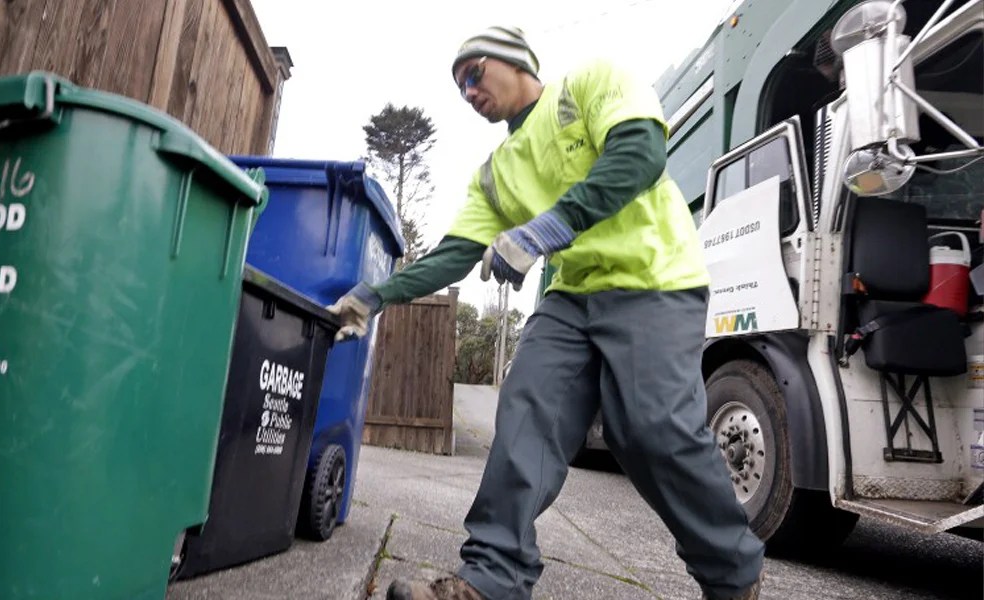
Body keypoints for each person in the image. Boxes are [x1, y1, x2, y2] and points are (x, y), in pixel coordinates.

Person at [326, 26, 766, 600]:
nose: (468, 92)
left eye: (474, 73)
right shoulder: (492, 173)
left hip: (653, 279)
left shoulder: (586, 85)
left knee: (649, 428)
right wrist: (373, 295)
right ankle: (491, 577)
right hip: (572, 297)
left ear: (515, 61)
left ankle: (733, 575)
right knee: (527, 407)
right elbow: (455, 255)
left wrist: (545, 230)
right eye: (459, 87)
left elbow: (640, 152)